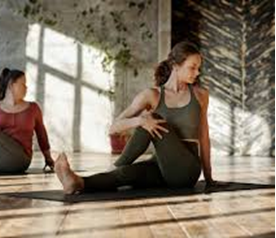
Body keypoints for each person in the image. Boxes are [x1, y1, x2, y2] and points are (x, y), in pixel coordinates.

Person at [55, 41, 221, 194]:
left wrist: (208, 177)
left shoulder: (200, 95)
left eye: (198, 68)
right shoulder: (152, 95)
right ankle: (77, 182)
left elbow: (203, 136)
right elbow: (114, 127)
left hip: (186, 170)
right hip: (160, 166)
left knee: (153, 118)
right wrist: (140, 121)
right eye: (192, 67)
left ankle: (114, 165)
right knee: (125, 174)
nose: (197, 73)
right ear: (176, 66)